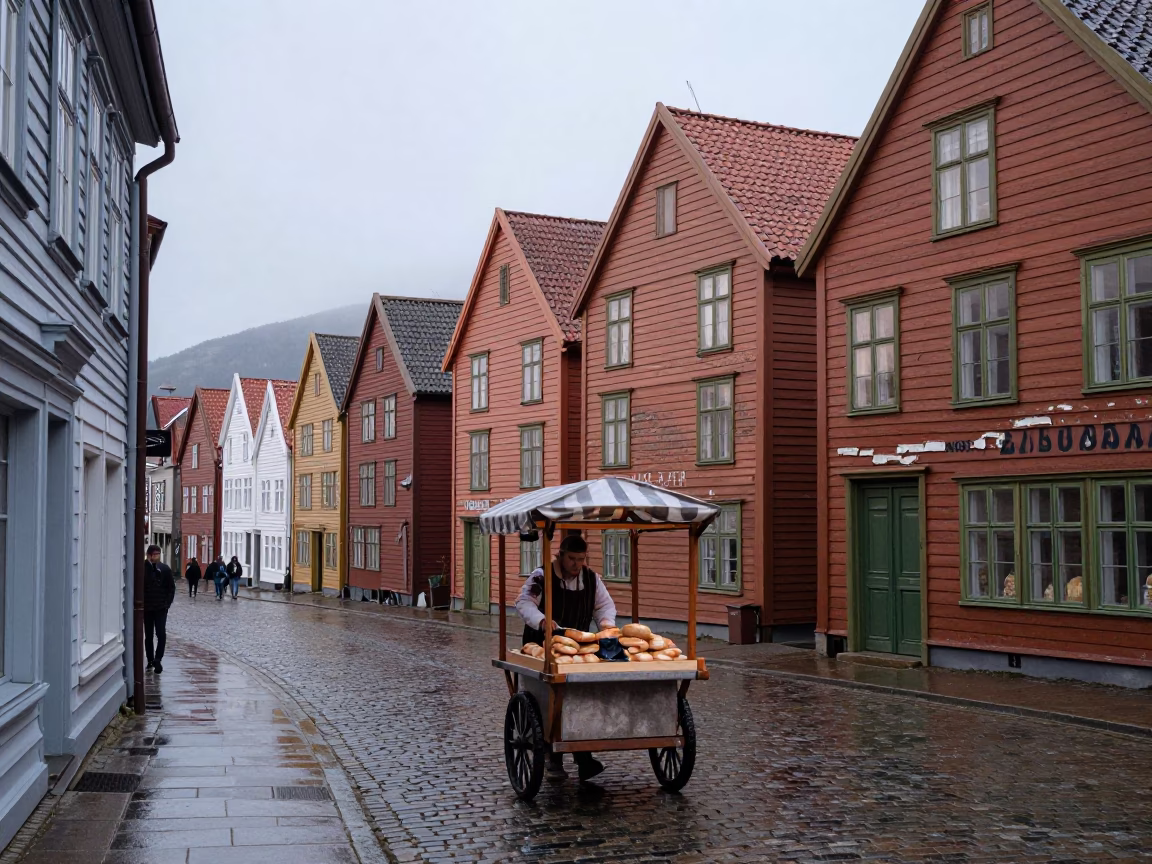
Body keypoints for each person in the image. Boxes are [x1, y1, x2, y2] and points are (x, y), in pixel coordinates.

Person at [515, 534, 616, 782]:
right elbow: (524, 602)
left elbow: (604, 605)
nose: (576, 564)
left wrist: (606, 623)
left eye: (581, 559)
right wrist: (541, 620)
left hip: (577, 649)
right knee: (551, 701)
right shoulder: (541, 576)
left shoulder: (591, 579)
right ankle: (554, 757)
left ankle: (583, 757)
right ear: (560, 555)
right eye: (572, 559)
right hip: (543, 646)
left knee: (580, 699)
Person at [143, 544, 176, 674]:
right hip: (147, 607)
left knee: (161, 633)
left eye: (157, 554)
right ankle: (150, 659)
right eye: (154, 554)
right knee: (148, 635)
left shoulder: (165, 569)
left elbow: (171, 588)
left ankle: (158, 659)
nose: (156, 557)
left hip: (161, 607)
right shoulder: (143, 568)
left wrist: (167, 603)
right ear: (149, 555)